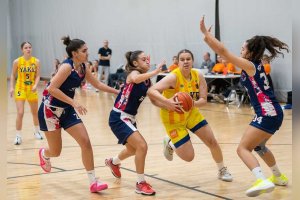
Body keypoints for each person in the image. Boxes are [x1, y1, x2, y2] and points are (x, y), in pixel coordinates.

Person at [200, 16, 289, 197]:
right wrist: (208, 39)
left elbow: (224, 52)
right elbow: (224, 54)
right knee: (260, 147)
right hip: (273, 112)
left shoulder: (249, 65)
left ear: (250, 52)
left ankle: (261, 180)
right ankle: (278, 177)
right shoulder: (254, 65)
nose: (240, 50)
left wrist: (207, 36)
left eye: (243, 48)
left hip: (267, 112)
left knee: (242, 148)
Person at [38, 36, 119, 193]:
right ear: (75, 53)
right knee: (56, 151)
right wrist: (74, 102)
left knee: (85, 142)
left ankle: (93, 181)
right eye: (84, 50)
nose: (87, 53)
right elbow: (51, 89)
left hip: (67, 111)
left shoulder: (83, 66)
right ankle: (44, 153)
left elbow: (97, 84)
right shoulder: (66, 67)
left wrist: (118, 91)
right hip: (50, 111)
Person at [147, 49, 233, 183]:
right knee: (189, 157)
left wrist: (193, 103)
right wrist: (167, 103)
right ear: (178, 62)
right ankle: (170, 142)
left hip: (191, 113)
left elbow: (203, 100)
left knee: (212, 141)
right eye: (182, 59)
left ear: (192, 61)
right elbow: (151, 91)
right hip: (173, 118)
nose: (185, 62)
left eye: (188, 59)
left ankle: (222, 170)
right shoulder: (173, 77)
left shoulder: (198, 75)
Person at [105, 50, 163, 195]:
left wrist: (170, 105)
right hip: (119, 116)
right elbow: (136, 79)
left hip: (129, 117)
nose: (147, 62)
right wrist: (155, 71)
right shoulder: (134, 74)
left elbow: (154, 98)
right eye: (144, 60)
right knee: (142, 146)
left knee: (132, 149)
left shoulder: (147, 81)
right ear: (136, 63)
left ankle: (113, 162)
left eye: (147, 59)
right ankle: (140, 183)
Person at [9, 41, 43, 145]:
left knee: (34, 113)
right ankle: (18, 136)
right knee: (20, 112)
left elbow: (37, 75)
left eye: (29, 47)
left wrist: (35, 85)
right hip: (20, 89)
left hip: (31, 89)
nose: (28, 49)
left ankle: (37, 132)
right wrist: (11, 87)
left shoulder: (36, 61)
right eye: (25, 47)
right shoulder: (17, 61)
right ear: (22, 50)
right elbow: (12, 75)